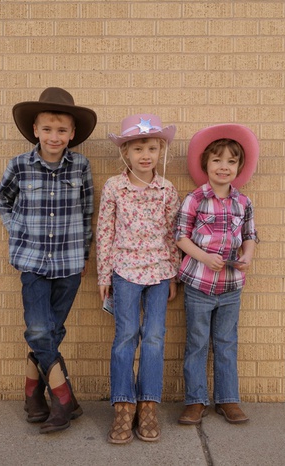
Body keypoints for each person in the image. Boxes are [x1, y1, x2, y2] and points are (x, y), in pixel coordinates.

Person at [0, 87, 97, 434]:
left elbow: (86, 212)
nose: (55, 136)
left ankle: (32, 396)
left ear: (72, 134)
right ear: (36, 130)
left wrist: (85, 253)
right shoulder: (20, 166)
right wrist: (16, 228)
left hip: (69, 263)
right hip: (32, 261)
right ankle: (64, 399)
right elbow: (3, 200)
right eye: (48, 129)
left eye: (62, 130)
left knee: (50, 331)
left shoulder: (80, 166)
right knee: (39, 329)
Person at [97, 114, 181, 444]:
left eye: (151, 148)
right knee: (126, 336)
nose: (145, 155)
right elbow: (104, 232)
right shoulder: (114, 187)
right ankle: (123, 405)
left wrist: (173, 275)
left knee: (155, 336)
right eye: (138, 149)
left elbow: (174, 234)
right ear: (126, 153)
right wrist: (104, 275)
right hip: (125, 271)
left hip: (160, 272)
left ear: (160, 152)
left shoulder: (167, 189)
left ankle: (148, 405)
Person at [175, 124, 259, 426]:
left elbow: (250, 235)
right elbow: (180, 236)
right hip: (199, 284)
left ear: (239, 167)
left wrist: (247, 256)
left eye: (231, 161)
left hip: (231, 286)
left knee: (225, 341)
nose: (224, 167)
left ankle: (227, 399)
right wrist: (203, 257)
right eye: (217, 160)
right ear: (205, 164)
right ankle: (195, 400)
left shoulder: (243, 202)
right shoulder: (195, 199)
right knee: (197, 342)